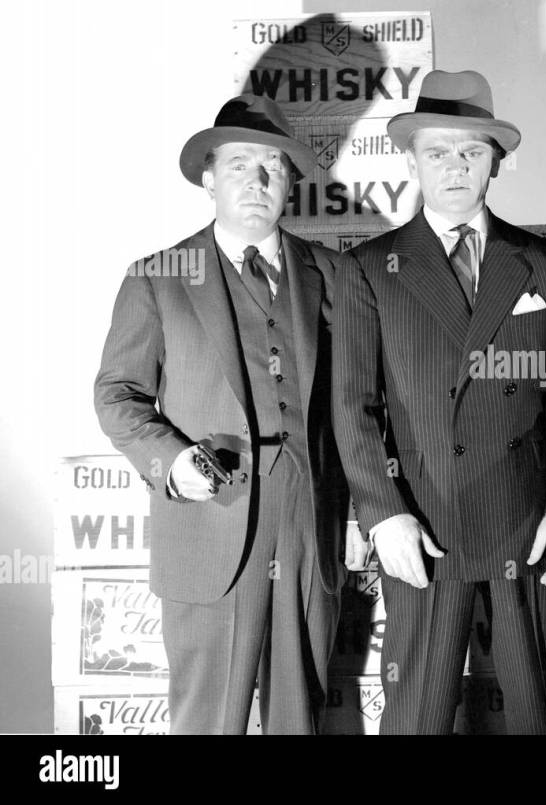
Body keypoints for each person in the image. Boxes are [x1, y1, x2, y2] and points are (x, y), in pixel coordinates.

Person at [332, 70, 546, 734]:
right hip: (424, 521)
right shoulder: (370, 268)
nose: (455, 166)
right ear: (412, 160)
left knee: (538, 711)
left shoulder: (545, 262)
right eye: (438, 151)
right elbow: (353, 407)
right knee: (417, 713)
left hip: (524, 518)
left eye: (472, 151)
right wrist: (383, 514)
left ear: (495, 162)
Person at [95, 94, 350, 734]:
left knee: (299, 715)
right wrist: (172, 461)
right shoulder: (157, 277)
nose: (256, 180)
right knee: (209, 719)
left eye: (272, 165)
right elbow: (117, 393)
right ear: (209, 178)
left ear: (290, 180)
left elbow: (357, 402)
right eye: (238, 164)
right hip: (208, 524)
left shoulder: (335, 275)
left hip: (306, 522)